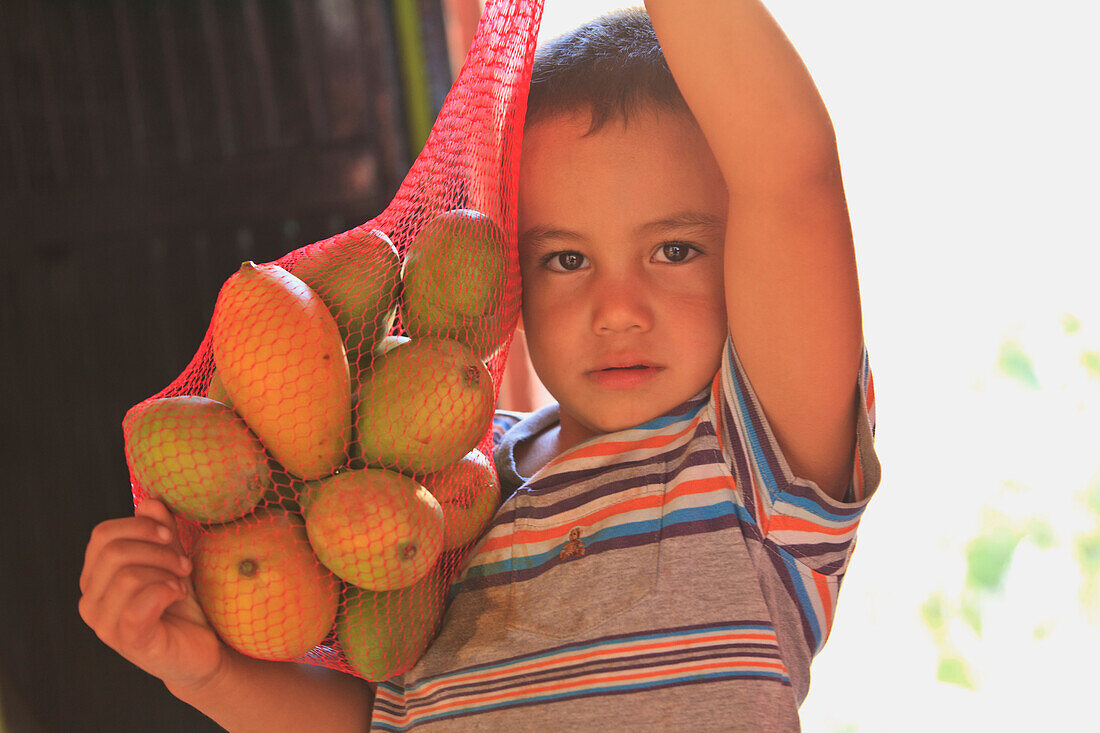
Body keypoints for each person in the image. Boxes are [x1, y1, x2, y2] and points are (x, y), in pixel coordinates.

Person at [79, 2, 880, 730]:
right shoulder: (444, 479)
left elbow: (789, 172)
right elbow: (377, 719)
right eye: (566, 258)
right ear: (510, 282)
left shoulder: (754, 460)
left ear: (744, 259)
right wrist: (205, 673)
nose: (617, 307)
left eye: (674, 249)